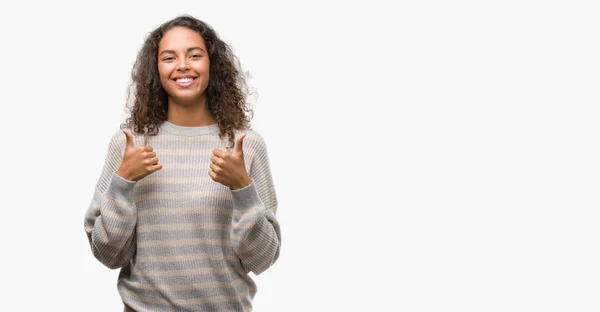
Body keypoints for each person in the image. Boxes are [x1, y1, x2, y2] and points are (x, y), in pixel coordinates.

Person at [84, 14, 281, 312]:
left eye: (195, 55)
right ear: (156, 70)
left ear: (212, 65)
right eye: (169, 57)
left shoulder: (245, 146)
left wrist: (243, 187)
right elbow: (108, 254)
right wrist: (123, 181)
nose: (183, 65)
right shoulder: (129, 144)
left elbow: (262, 259)